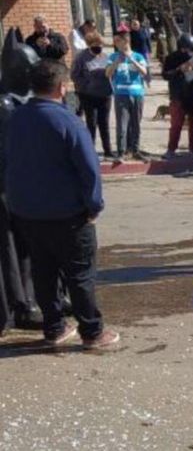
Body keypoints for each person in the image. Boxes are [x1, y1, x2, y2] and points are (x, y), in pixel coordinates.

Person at [4, 60, 118, 348]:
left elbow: (8, 164)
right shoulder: (67, 121)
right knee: (79, 274)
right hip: (68, 214)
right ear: (62, 87)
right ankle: (91, 331)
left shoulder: (16, 118)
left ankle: (54, 327)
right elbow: (89, 169)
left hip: (27, 213)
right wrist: (93, 206)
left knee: (44, 273)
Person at [0, 43, 41, 335]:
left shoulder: (29, 99)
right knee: (11, 249)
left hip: (26, 187)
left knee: (30, 246)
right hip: (7, 187)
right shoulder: (4, 105)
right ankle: (19, 304)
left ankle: (36, 296)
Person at [106, 31, 150, 162]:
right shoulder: (113, 56)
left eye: (118, 41)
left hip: (137, 94)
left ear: (126, 41)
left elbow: (144, 72)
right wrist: (116, 63)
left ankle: (135, 150)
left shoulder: (138, 56)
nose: (116, 44)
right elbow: (107, 74)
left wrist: (132, 60)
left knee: (136, 123)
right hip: (121, 94)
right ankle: (121, 152)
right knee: (122, 124)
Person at [162, 34, 193, 158]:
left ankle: (192, 149)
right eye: (184, 49)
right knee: (176, 125)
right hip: (178, 96)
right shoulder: (172, 58)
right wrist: (179, 69)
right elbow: (165, 75)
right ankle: (171, 150)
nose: (187, 52)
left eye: (190, 49)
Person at [71, 31, 114, 159]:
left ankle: (108, 150)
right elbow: (74, 76)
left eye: (100, 44)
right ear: (89, 45)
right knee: (91, 123)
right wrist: (86, 84)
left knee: (104, 123)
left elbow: (111, 73)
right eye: (95, 44)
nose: (98, 47)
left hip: (105, 94)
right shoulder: (80, 58)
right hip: (88, 95)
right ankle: (90, 150)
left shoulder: (106, 57)